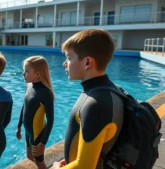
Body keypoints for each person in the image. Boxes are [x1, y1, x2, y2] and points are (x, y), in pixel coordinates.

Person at [50, 29, 124, 169]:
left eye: (69, 58)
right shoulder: (108, 91)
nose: (64, 63)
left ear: (87, 62)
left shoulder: (95, 104)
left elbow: (85, 166)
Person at [16, 56, 54, 169]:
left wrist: (43, 143)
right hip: (28, 132)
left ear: (37, 73)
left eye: (27, 71)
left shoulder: (46, 93)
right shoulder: (29, 86)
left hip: (37, 134)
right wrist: (19, 126)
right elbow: (24, 107)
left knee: (39, 161)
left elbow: (50, 120)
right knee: (29, 156)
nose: (23, 74)